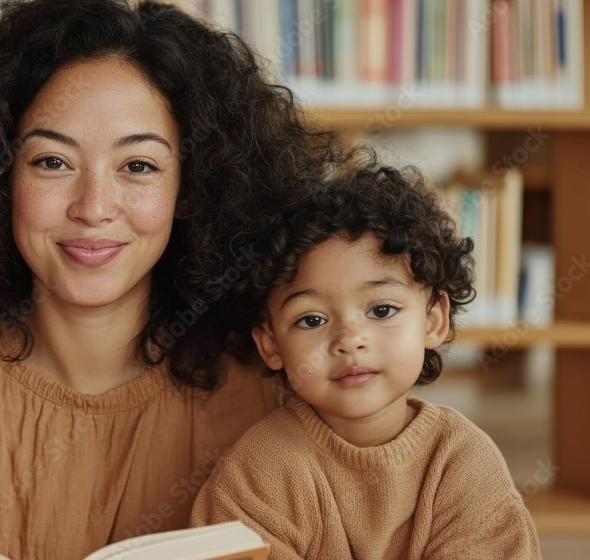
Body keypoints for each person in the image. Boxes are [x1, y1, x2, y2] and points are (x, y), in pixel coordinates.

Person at [0, 0, 344, 558]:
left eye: (139, 166)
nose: (93, 207)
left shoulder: (281, 400)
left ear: (192, 189)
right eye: (52, 162)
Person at [190, 165, 543, 559]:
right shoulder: (257, 474)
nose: (349, 340)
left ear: (433, 319)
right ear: (270, 343)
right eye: (312, 320)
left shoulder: (462, 461)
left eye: (381, 310)